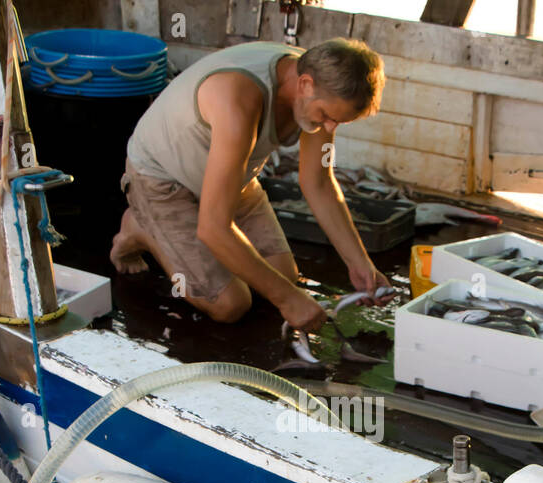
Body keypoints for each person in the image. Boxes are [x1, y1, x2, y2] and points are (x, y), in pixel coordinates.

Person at [111, 37, 390, 329]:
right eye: (327, 117)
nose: (329, 128)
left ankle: (165, 232)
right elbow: (214, 228)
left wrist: (360, 263)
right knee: (231, 304)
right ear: (305, 84)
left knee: (283, 276)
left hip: (234, 178)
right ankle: (142, 228)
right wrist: (288, 301)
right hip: (163, 181)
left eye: (339, 122)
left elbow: (318, 182)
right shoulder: (238, 97)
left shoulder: (320, 84)